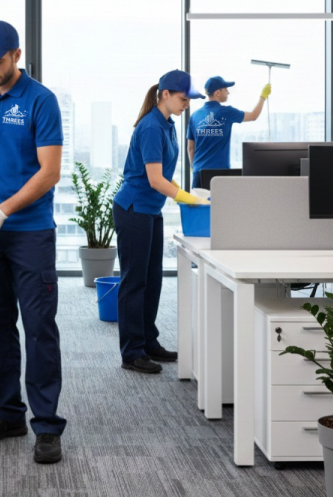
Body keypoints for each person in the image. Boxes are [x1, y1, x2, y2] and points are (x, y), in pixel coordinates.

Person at [0, 20, 66, 464]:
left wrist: (4, 210)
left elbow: (49, 172)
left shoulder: (41, 101)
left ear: (16, 56)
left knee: (39, 328)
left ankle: (47, 426)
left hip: (30, 233)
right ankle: (7, 413)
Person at [113, 70, 209, 375]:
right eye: (183, 99)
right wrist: (188, 199)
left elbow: (165, 175)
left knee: (152, 279)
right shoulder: (151, 127)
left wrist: (187, 193)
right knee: (134, 281)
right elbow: (155, 180)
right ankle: (132, 352)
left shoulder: (167, 125)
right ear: (165, 94)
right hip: (133, 209)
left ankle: (148, 341)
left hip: (150, 210)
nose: (186, 105)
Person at [187, 76, 271, 188]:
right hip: (218, 174)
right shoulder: (226, 112)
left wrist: (194, 167)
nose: (228, 92)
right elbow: (253, 115)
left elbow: (190, 148)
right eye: (225, 89)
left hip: (198, 172)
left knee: (201, 205)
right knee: (220, 205)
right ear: (217, 93)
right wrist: (263, 96)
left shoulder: (195, 115)